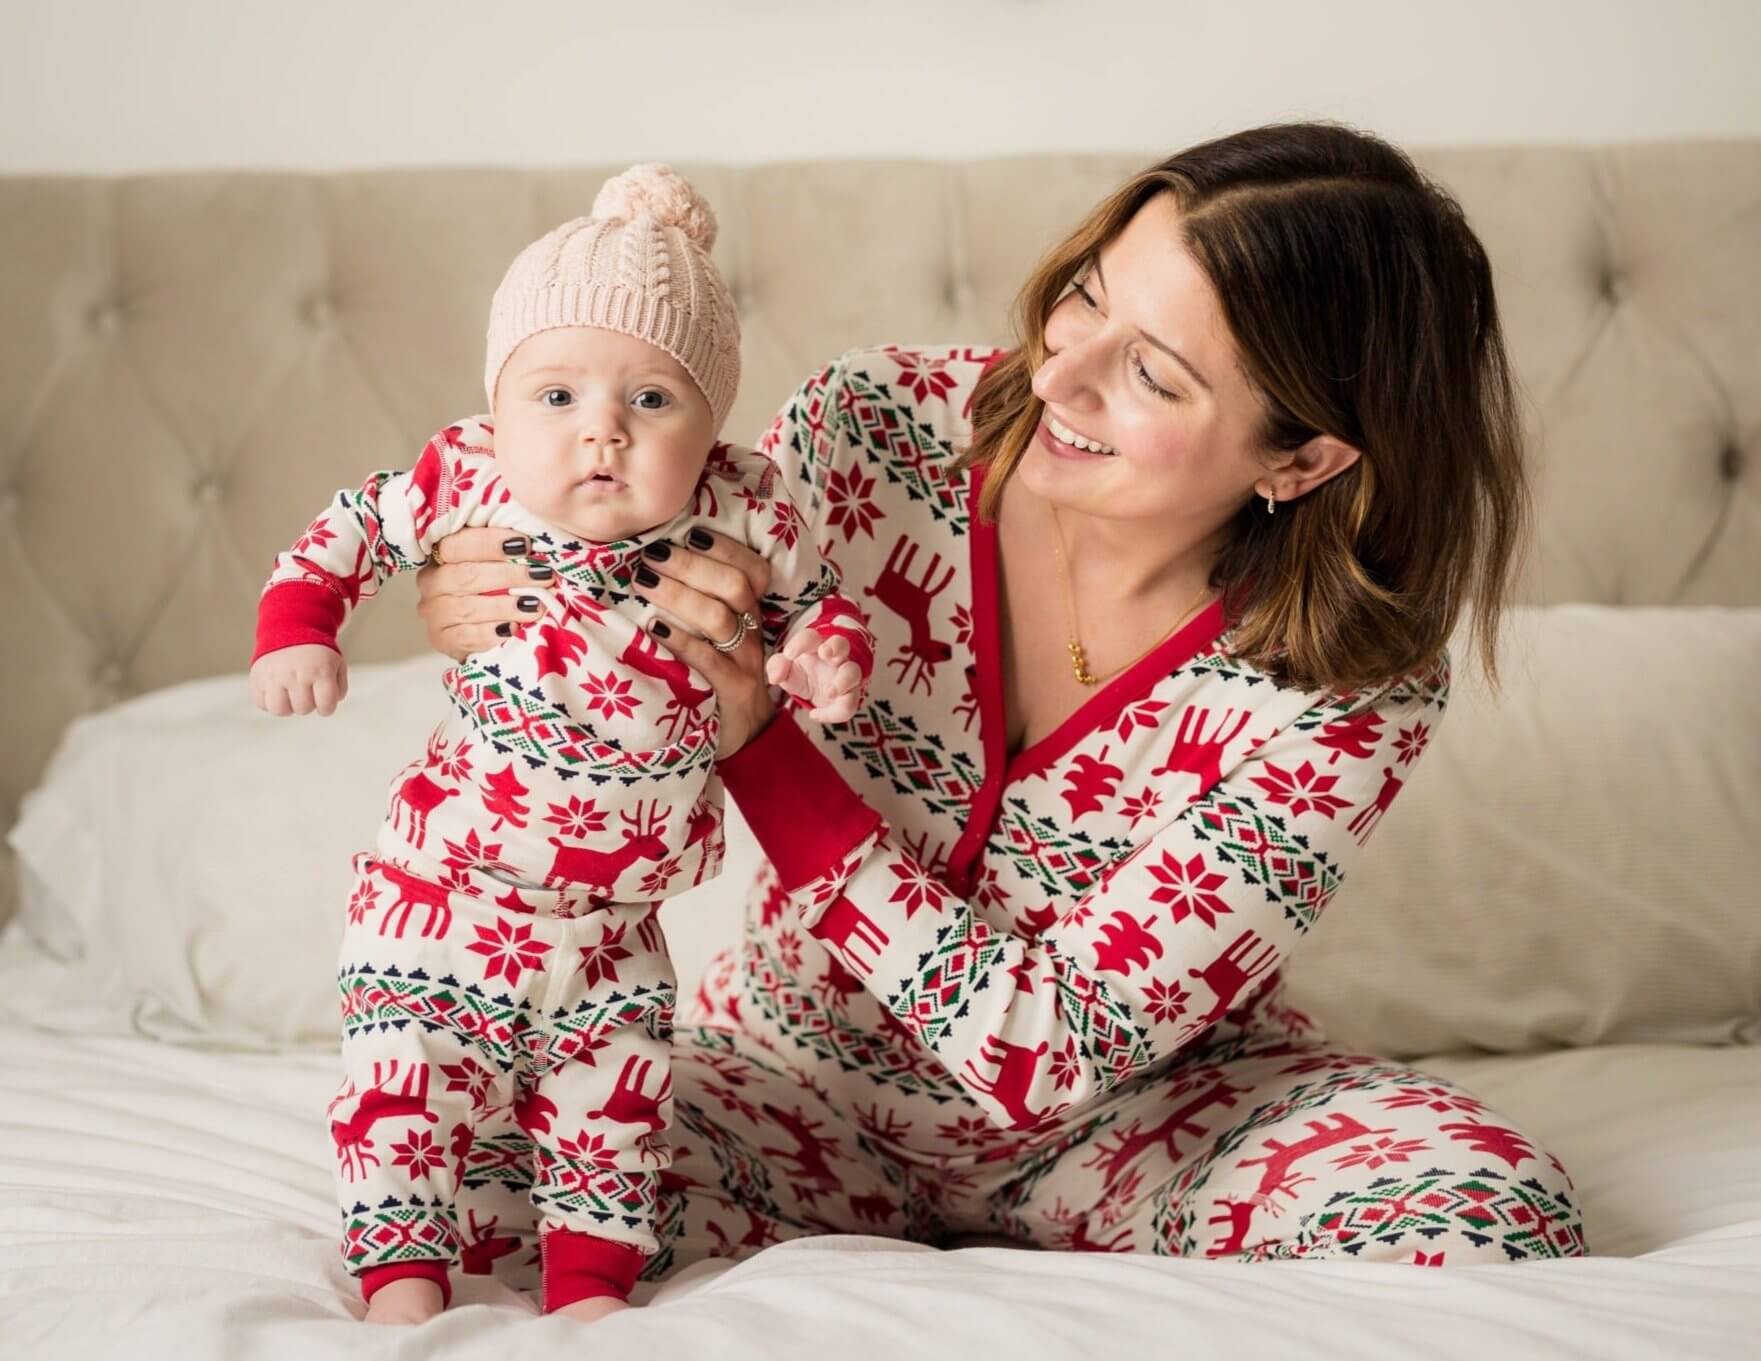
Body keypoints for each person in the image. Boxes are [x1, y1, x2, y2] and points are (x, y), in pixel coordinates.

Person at [410, 124, 1588, 1282]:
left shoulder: (1355, 683)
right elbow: (600, 564)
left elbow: (1048, 1051)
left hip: (1147, 1125)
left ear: (1303, 461)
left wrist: (767, 752)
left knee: (1486, 1213)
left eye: (1151, 373)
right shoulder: (871, 431)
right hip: (794, 1082)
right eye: (1086, 295)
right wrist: (487, 583)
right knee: (452, 1170)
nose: (1059, 371)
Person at [248, 165, 872, 1324]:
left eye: (651, 401)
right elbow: (342, 533)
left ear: (713, 424)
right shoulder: (465, 476)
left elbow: (819, 601)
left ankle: (591, 1288)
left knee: (617, 1101)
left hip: (612, 928)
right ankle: (401, 1275)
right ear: (498, 405)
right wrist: (300, 629)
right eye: (557, 396)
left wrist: (824, 659)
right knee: (406, 1090)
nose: (600, 433)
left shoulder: (746, 505)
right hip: (443, 895)